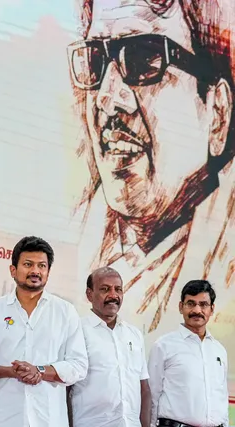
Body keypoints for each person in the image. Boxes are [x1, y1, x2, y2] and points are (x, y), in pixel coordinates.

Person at [68, 0, 235, 336]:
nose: (107, 99)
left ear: (217, 114)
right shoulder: (75, 239)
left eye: (144, 59)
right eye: (96, 61)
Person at [0, 236, 88, 427]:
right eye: (28, 264)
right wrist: (11, 372)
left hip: (49, 419)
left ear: (48, 272)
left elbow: (79, 366)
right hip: (3, 419)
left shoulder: (65, 311)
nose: (35, 271)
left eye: (42, 266)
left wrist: (40, 371)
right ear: (13, 270)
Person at [68, 267, 151, 427]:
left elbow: (144, 389)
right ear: (89, 294)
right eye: (105, 289)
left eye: (118, 289)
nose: (113, 295)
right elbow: (66, 389)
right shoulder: (77, 331)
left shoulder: (133, 334)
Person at [148, 280, 229, 427]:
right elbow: (152, 395)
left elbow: (222, 396)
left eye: (203, 305)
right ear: (181, 307)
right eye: (191, 303)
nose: (197, 310)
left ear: (212, 309)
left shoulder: (219, 350)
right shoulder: (164, 346)